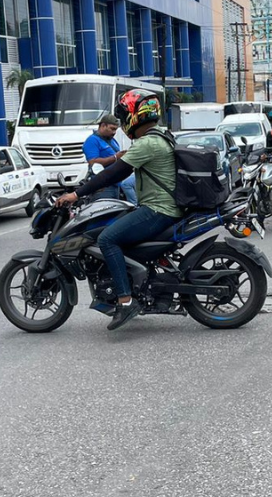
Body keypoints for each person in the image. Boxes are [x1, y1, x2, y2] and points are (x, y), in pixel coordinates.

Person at [56, 90, 180, 331]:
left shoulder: (148, 143)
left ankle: (125, 300)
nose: (122, 124)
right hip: (162, 206)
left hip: (159, 209)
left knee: (107, 238)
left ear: (135, 117)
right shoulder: (161, 136)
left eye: (124, 117)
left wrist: (75, 194)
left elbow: (115, 173)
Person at [82, 114, 137, 204]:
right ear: (103, 126)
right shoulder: (92, 141)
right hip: (103, 187)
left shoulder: (111, 140)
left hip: (115, 184)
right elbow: (93, 162)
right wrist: (115, 157)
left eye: (115, 129)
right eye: (112, 129)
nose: (114, 132)